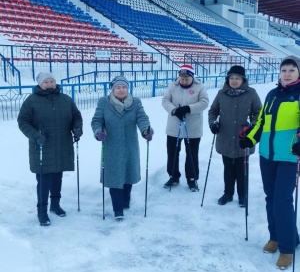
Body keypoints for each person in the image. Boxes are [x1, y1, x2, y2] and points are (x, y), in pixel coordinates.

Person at [239, 56, 300, 270]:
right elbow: (262, 123)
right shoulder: (272, 94)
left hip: (289, 157)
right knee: (271, 198)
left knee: (282, 201)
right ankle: (276, 237)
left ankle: (287, 248)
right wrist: (251, 138)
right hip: (267, 156)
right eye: (284, 69)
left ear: (298, 73)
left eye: (292, 69)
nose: (287, 73)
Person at [17, 71, 83, 226]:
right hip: (42, 147)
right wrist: (35, 135)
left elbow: (76, 116)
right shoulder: (31, 101)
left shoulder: (66, 99)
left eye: (52, 81)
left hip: (61, 145)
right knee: (44, 180)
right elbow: (23, 121)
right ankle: (42, 212)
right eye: (46, 82)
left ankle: (55, 205)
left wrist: (77, 128)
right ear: (40, 84)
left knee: (57, 177)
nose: (49, 84)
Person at [91, 76, 153, 220]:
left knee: (128, 174)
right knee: (114, 177)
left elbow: (142, 119)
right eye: (118, 87)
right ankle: (117, 209)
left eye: (124, 87)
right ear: (113, 89)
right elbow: (97, 120)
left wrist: (146, 131)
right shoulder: (104, 102)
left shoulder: (136, 103)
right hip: (111, 146)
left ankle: (125, 200)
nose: (121, 90)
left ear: (127, 89)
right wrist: (98, 131)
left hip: (130, 146)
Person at [208, 65, 262, 207]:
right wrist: (213, 123)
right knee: (228, 169)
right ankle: (228, 193)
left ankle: (242, 195)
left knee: (241, 169)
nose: (234, 81)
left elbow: (259, 112)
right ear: (228, 79)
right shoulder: (221, 93)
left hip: (243, 139)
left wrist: (253, 127)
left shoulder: (251, 93)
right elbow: (213, 111)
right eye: (231, 78)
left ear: (243, 79)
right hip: (225, 138)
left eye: (237, 78)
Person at [162, 63, 209, 191]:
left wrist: (188, 108)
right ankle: (173, 176)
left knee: (192, 154)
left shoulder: (200, 86)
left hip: (193, 126)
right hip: (174, 126)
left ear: (192, 77)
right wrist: (174, 110)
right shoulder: (173, 85)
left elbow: (204, 102)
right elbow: (165, 100)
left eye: (186, 79)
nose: (183, 81)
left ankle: (192, 178)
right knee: (172, 153)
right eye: (181, 78)